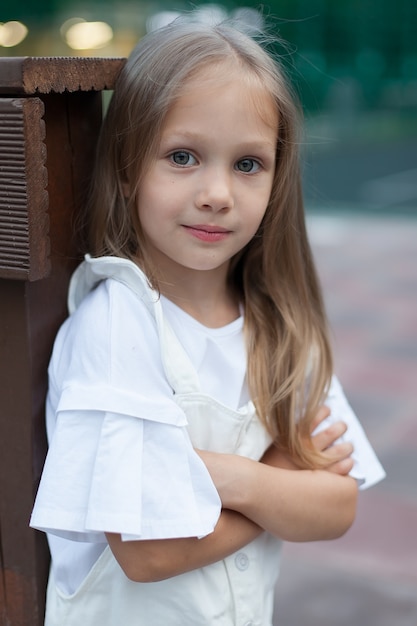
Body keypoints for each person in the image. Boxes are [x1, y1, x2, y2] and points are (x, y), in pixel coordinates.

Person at [30, 15, 385, 626]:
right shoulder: (119, 321)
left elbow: (337, 507)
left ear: (277, 179)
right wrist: (279, 480)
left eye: (248, 164)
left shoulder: (279, 324)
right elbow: (147, 550)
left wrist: (219, 476)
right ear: (126, 167)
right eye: (183, 156)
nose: (217, 192)